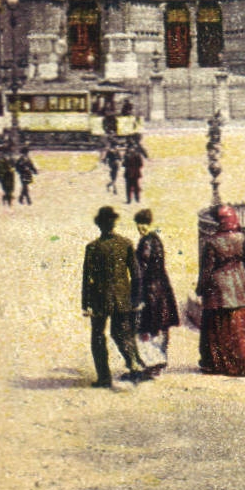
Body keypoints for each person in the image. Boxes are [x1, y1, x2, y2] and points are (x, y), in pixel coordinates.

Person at [81, 206, 146, 388]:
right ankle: (133, 365)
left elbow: (87, 278)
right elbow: (136, 274)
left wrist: (85, 304)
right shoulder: (125, 244)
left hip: (99, 299)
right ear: (114, 223)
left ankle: (104, 377)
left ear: (99, 225)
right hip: (121, 297)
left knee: (98, 336)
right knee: (122, 332)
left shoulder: (93, 247)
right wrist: (136, 298)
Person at [196, 206, 245, 378]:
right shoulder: (242, 238)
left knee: (218, 326)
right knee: (243, 327)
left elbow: (207, 270)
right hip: (241, 284)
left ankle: (218, 363)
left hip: (218, 288)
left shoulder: (211, 242)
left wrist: (201, 288)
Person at [133, 210, 178, 375]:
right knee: (159, 326)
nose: (140, 228)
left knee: (148, 327)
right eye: (138, 224)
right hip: (161, 288)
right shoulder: (155, 240)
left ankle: (153, 362)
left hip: (150, 289)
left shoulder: (146, 242)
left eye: (143, 224)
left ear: (149, 224)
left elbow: (142, 268)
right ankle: (158, 361)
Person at [123, 136, 147, 204]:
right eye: (130, 149)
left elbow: (141, 164)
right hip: (129, 174)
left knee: (135, 187)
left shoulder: (137, 156)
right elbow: (124, 164)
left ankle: (137, 199)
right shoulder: (127, 156)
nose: (131, 150)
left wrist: (134, 168)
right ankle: (129, 200)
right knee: (129, 188)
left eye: (132, 148)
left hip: (134, 173)